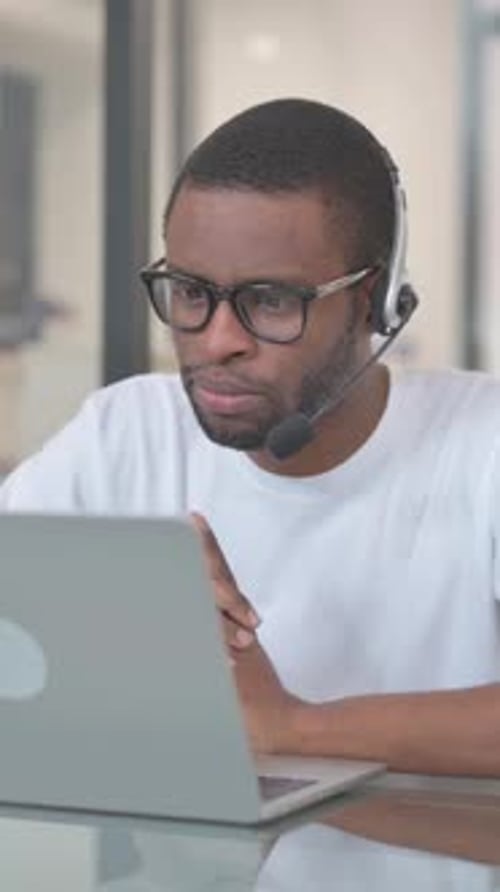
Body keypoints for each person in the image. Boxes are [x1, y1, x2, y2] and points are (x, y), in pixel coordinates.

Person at [1, 97, 500, 777]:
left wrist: (288, 727)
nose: (218, 341)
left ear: (372, 300)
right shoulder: (125, 432)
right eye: (189, 292)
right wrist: (96, 604)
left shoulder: (481, 445)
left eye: (270, 301)